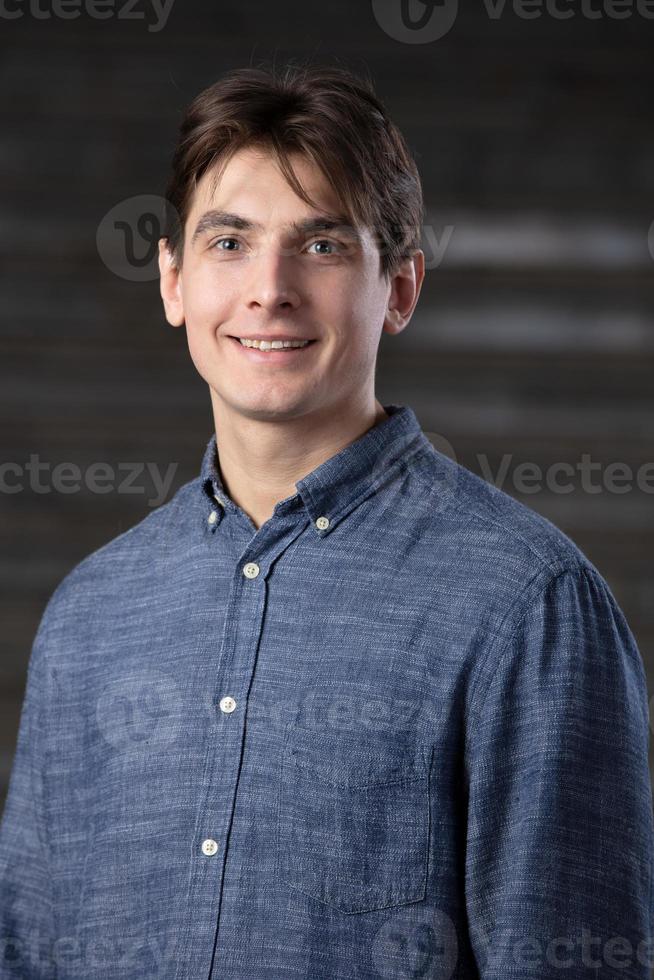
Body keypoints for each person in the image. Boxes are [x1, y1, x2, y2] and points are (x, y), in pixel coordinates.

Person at [1, 61, 652, 980]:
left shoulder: (527, 607)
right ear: (174, 281)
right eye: (229, 243)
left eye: (323, 245)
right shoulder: (89, 614)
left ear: (402, 288)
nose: (269, 289)